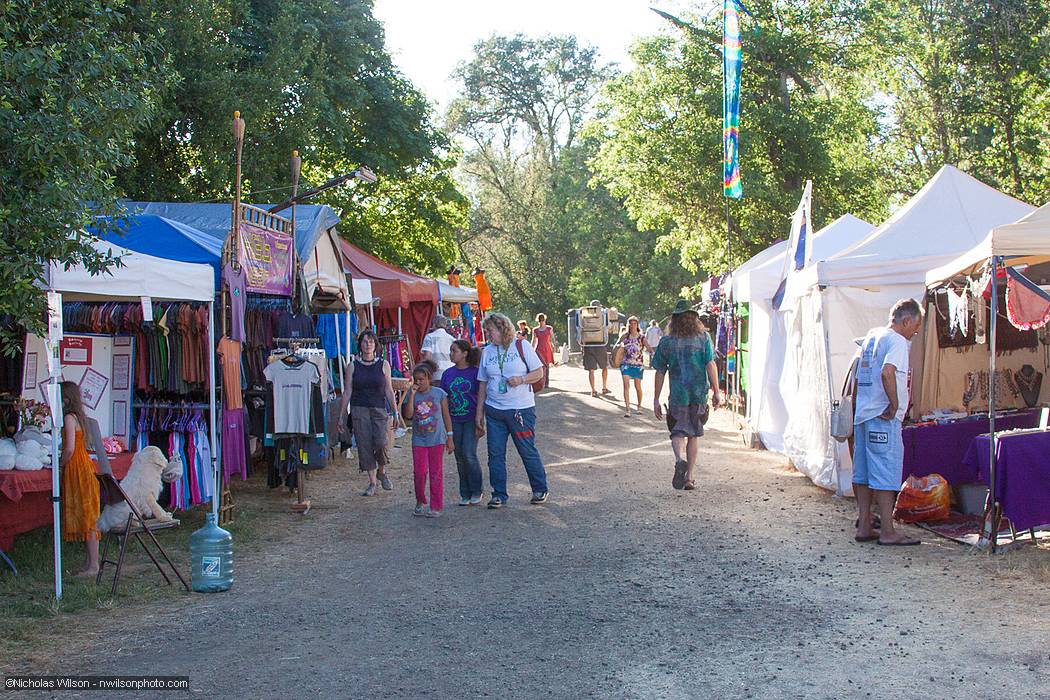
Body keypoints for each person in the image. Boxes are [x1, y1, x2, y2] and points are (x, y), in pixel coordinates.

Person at [852, 299, 924, 546]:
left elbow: (856, 373)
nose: (916, 331)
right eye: (916, 325)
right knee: (884, 472)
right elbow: (887, 371)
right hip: (882, 417)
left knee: (862, 472)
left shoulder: (872, 336)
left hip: (863, 413)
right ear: (906, 321)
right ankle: (888, 531)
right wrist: (894, 405)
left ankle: (864, 525)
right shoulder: (897, 341)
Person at [476, 313, 549, 508]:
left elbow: (539, 372)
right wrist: (479, 412)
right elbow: (483, 383)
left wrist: (522, 379)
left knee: (526, 450)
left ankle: (540, 489)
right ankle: (499, 494)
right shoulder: (488, 351)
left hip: (520, 410)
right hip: (494, 411)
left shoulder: (521, 346)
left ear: (501, 328)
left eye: (490, 330)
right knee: (495, 454)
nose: (487, 334)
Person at [652, 300, 721, 491]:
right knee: (694, 435)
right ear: (693, 318)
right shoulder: (703, 337)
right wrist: (716, 390)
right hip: (698, 394)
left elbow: (659, 370)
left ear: (674, 319)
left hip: (678, 395)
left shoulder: (667, 341)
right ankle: (690, 478)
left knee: (677, 432)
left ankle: (678, 459)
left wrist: (656, 399)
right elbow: (710, 364)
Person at [340, 330, 398, 497]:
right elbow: (347, 391)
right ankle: (372, 482)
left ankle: (382, 471)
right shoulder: (352, 366)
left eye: (371, 341)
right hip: (359, 409)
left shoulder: (383, 365)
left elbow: (388, 389)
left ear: (375, 345)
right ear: (360, 345)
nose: (368, 345)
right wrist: (342, 415)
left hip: (379, 408)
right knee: (364, 446)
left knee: (381, 442)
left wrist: (395, 411)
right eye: (365, 342)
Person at [59, 381, 101, 577]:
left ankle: (93, 566)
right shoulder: (80, 417)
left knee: (87, 516)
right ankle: (90, 563)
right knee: (88, 515)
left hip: (77, 467)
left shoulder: (69, 417)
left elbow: (68, 449)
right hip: (84, 465)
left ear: (66, 398)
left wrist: (60, 463)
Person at [403, 360, 454, 518]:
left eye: (422, 379)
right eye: (416, 379)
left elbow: (446, 415)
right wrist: (411, 395)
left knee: (435, 472)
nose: (419, 382)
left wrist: (450, 436)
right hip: (419, 440)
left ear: (429, 378)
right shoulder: (413, 395)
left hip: (437, 439)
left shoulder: (439, 394)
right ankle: (420, 500)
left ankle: (436, 505)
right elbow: (409, 415)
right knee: (419, 472)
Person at [441, 339, 484, 505]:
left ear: (464, 353)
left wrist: (480, 419)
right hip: (454, 420)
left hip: (471, 419)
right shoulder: (447, 374)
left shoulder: (476, 373)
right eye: (450, 351)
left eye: (454, 351)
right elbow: (443, 399)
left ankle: (476, 490)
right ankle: (464, 492)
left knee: (469, 453)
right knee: (459, 456)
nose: (451, 354)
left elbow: (482, 396)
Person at [579, 300, 611, 398]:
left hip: (588, 345)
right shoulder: (602, 316)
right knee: (604, 367)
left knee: (591, 370)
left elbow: (579, 329)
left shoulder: (583, 316)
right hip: (600, 344)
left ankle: (593, 390)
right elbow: (608, 327)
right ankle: (604, 387)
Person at [616, 316, 647, 417]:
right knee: (626, 385)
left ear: (637, 325)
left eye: (635, 323)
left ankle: (639, 406)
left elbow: (648, 346)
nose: (633, 325)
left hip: (638, 364)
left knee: (637, 386)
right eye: (631, 323)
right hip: (626, 363)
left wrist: (652, 351)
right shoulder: (624, 336)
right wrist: (621, 347)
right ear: (628, 325)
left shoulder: (641, 337)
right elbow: (617, 346)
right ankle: (628, 409)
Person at [421, 315, 456, 381]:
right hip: (451, 372)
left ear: (434, 324)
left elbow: (427, 357)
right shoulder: (452, 339)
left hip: (436, 373)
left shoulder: (429, 337)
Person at [531, 313, 556, 390]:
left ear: (545, 320)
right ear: (538, 321)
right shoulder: (535, 330)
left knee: (547, 366)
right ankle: (540, 382)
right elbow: (534, 340)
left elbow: (552, 338)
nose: (541, 322)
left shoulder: (549, 328)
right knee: (540, 366)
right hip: (539, 349)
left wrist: (554, 346)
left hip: (547, 349)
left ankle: (546, 383)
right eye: (540, 320)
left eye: (542, 320)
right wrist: (531, 350)